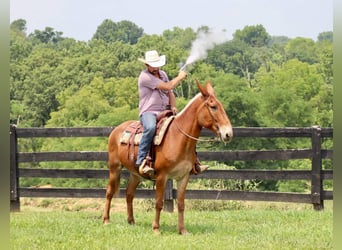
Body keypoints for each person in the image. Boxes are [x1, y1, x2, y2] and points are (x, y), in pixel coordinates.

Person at [136, 50, 209, 175]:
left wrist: (173, 106)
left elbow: (170, 93)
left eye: (157, 64)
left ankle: (194, 161)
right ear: (147, 65)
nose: (156, 67)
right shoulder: (145, 77)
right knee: (150, 128)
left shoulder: (163, 74)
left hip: (164, 111)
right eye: (153, 64)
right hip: (149, 112)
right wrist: (180, 77)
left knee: (185, 128)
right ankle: (142, 160)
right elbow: (168, 87)